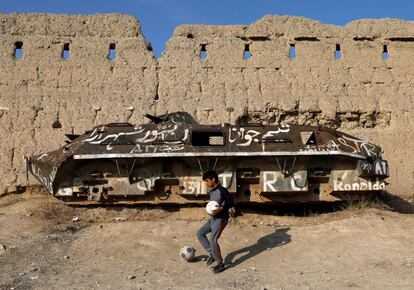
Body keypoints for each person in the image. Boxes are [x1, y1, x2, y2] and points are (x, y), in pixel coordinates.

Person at [196, 170, 235, 274]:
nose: (206, 183)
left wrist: (222, 208)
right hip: (213, 219)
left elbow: (231, 202)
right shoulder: (212, 191)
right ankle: (212, 254)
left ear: (213, 180)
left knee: (213, 240)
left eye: (207, 181)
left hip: (221, 219)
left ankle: (220, 263)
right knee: (200, 233)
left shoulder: (222, 190)